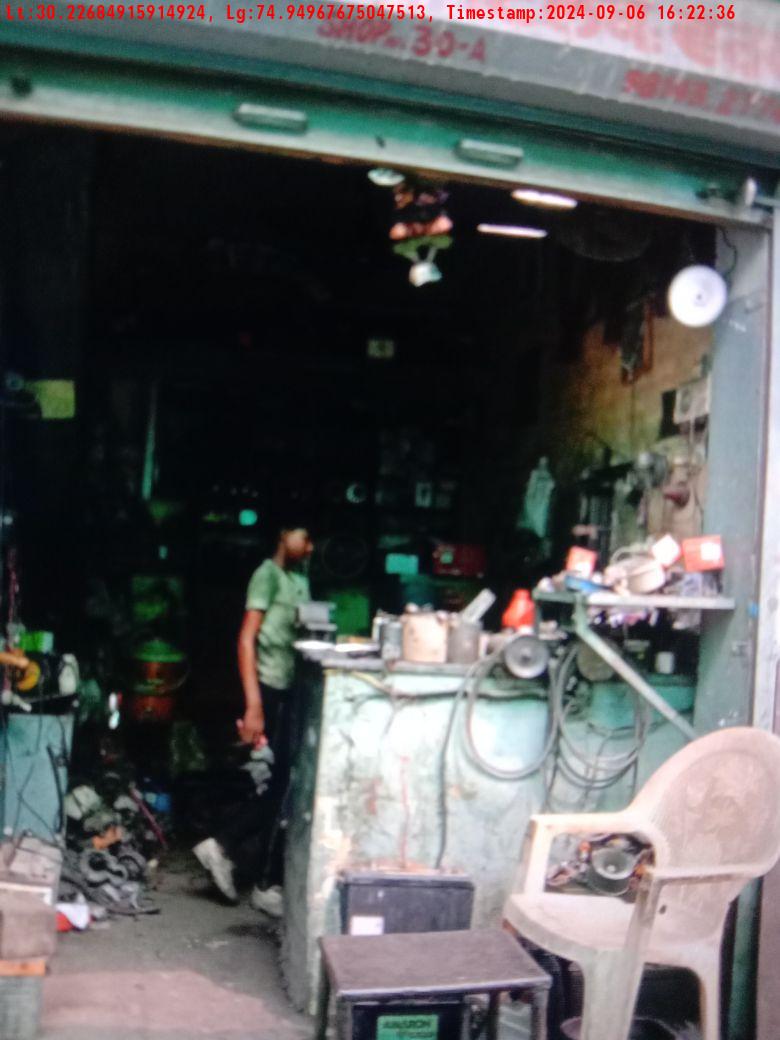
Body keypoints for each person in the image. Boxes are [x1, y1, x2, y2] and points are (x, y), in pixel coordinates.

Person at [194, 521, 313, 913]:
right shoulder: (267, 576)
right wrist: (254, 705)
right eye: (304, 538)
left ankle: (250, 866)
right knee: (278, 784)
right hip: (268, 688)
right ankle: (239, 859)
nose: (309, 547)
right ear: (283, 534)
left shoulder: (298, 579)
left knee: (282, 785)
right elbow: (246, 639)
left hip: (288, 689)